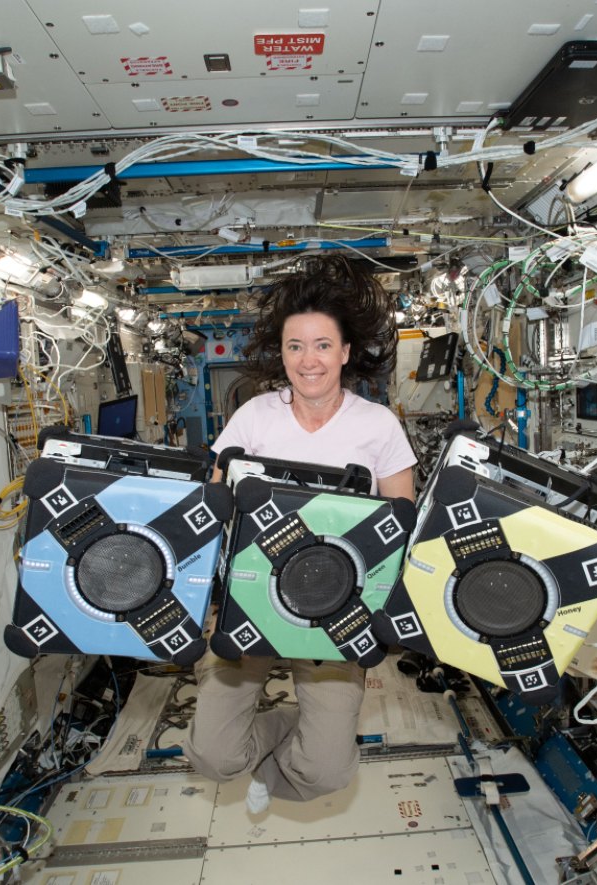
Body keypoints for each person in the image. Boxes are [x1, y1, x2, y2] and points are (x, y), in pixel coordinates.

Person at [184, 255, 416, 814]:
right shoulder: (254, 419)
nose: (307, 360)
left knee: (325, 771)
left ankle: (286, 746)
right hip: (250, 601)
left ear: (344, 352)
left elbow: (400, 523)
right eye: (294, 346)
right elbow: (210, 508)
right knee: (213, 759)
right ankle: (271, 733)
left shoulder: (378, 426)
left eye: (320, 345)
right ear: (279, 353)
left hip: (336, 609)